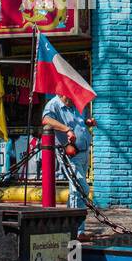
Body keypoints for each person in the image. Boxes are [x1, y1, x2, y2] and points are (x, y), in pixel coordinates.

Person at [42, 93, 94, 236]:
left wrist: (88, 122)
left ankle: (68, 226)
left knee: (75, 191)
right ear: (62, 93)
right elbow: (46, 119)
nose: (73, 100)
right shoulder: (53, 104)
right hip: (70, 153)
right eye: (70, 97)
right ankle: (78, 231)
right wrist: (67, 129)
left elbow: (81, 120)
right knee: (81, 188)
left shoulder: (76, 102)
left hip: (83, 151)